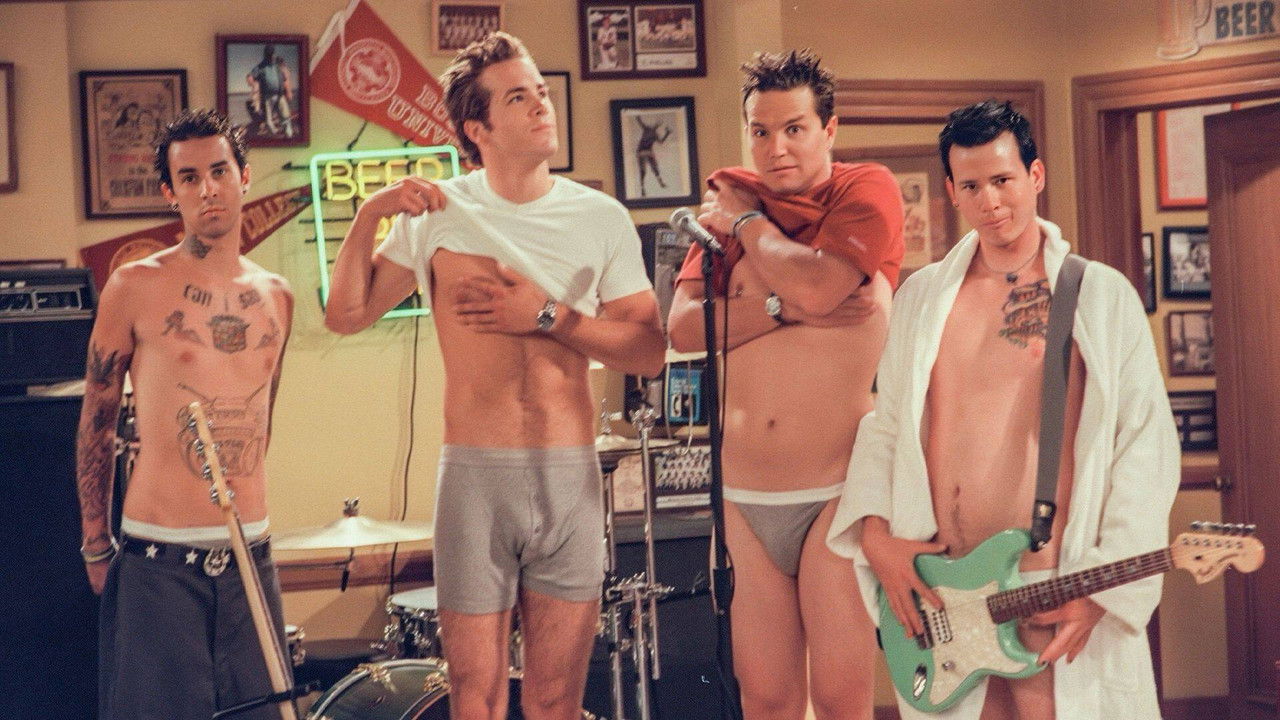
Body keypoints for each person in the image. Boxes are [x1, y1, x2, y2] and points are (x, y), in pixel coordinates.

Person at [323, 32, 665, 720]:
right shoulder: (438, 214)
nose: (542, 106)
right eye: (518, 98)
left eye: (541, 92)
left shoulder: (600, 217)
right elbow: (346, 314)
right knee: (474, 697)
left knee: (556, 701)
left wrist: (547, 316)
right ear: (477, 129)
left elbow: (648, 349)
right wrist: (370, 213)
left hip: (567, 475)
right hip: (476, 477)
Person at [827, 100, 1180, 720]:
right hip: (943, 593)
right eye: (971, 186)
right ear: (951, 191)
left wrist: (1105, 588)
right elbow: (888, 427)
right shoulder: (922, 297)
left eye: (1002, 179)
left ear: (1035, 176)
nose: (989, 201)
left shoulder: (1098, 296)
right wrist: (875, 535)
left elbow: (1144, 448)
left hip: (1047, 586)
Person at [666, 49, 905, 720]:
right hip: (744, 495)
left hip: (836, 489)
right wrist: (782, 307)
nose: (776, 148)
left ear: (829, 129)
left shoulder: (863, 189)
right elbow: (682, 328)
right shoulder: (731, 197)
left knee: (839, 699)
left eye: (794, 129)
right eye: (761, 131)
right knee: (767, 699)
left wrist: (750, 229)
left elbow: (820, 285)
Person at [77, 108, 295, 720]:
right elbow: (97, 420)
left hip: (250, 553)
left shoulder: (277, 295)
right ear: (171, 193)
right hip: (160, 562)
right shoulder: (133, 286)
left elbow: (263, 421)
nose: (208, 189)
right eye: (190, 178)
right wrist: (95, 542)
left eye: (219, 172)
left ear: (244, 177)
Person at [246, 44, 294, 138]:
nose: (271, 56)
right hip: (267, 97)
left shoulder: (279, 65)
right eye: (268, 54)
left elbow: (286, 78)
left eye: (272, 54)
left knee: (285, 116)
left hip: (280, 95)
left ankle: (289, 135)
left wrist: (288, 91)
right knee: (268, 120)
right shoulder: (260, 67)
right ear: (265, 55)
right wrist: (254, 84)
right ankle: (274, 135)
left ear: (274, 54)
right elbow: (250, 77)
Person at [634, 115, 671, 196]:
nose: (656, 125)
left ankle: (656, 183)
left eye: (658, 124)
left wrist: (667, 133)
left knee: (650, 168)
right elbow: (640, 122)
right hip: (643, 151)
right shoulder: (649, 130)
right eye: (657, 123)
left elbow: (661, 141)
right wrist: (667, 133)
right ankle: (644, 187)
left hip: (645, 151)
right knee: (645, 169)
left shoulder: (651, 131)